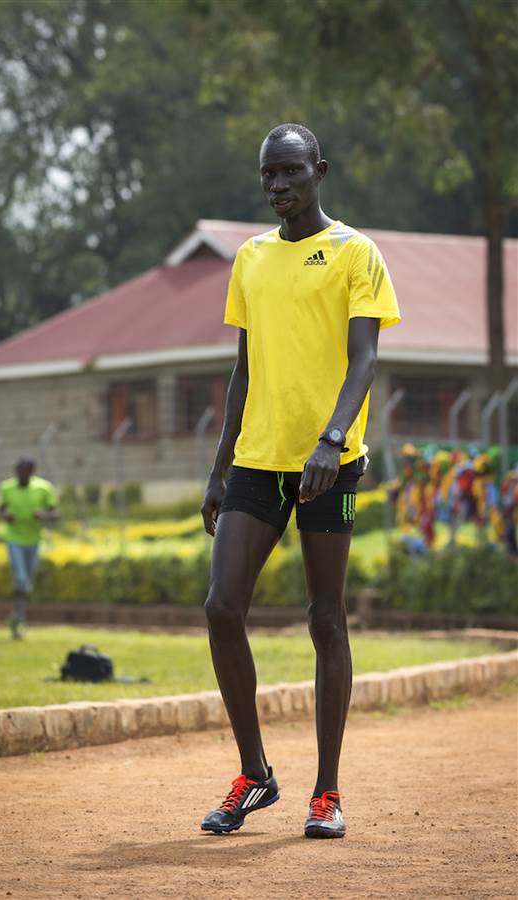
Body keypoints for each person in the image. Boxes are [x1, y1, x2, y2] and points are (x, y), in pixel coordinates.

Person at [200, 123, 400, 838]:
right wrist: (219, 468)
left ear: (319, 171)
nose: (278, 184)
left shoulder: (355, 252)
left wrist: (332, 440)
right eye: (268, 174)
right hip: (258, 460)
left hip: (329, 467)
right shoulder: (250, 258)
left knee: (325, 619)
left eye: (290, 171)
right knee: (222, 608)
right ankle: (254, 774)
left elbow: (364, 359)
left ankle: (327, 793)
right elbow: (243, 370)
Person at [0, 457, 58, 639]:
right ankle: (19, 617)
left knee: (26, 582)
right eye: (19, 471)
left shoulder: (43, 488)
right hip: (14, 539)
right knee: (22, 578)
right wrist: (6, 515)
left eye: (26, 471)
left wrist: (44, 515)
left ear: (32, 472)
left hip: (34, 539)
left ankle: (16, 614)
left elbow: (55, 512)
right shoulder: (6, 487)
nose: (22, 474)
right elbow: (2, 508)